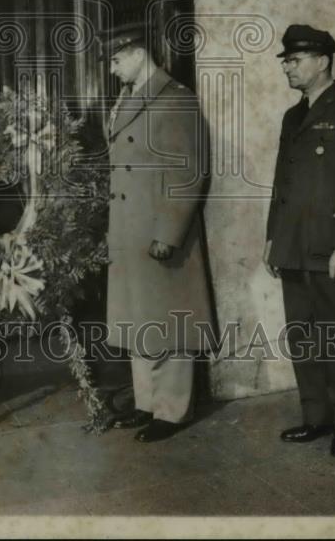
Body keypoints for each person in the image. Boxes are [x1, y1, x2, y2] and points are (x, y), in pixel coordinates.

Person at [263, 24, 335, 458]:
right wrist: (272, 237)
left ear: (322, 61)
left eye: (294, 60)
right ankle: (316, 417)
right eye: (286, 61)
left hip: (331, 250)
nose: (287, 68)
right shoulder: (293, 116)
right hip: (293, 246)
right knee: (303, 337)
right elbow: (282, 183)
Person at [99, 22, 212, 442]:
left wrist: (170, 232)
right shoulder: (128, 99)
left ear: (136, 52)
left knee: (169, 322)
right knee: (138, 321)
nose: (112, 70)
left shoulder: (175, 100)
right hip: (129, 231)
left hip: (160, 231)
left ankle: (173, 409)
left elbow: (189, 171)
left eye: (114, 60)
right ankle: (147, 403)